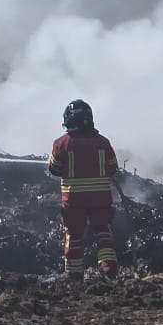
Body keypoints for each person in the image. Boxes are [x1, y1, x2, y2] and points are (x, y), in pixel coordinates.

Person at [48, 99, 118, 277]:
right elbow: (113, 167)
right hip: (101, 200)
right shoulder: (103, 143)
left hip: (74, 201)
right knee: (103, 233)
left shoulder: (61, 144)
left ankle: (74, 275)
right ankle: (108, 269)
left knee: (74, 236)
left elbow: (54, 169)